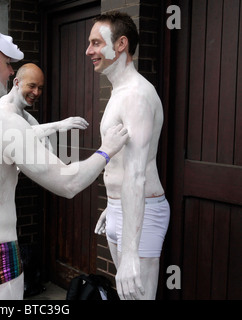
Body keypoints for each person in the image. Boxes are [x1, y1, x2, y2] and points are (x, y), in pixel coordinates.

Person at [0, 24, 128, 300]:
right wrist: (106, 151)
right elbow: (68, 183)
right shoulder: (4, 122)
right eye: (7, 63)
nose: (11, 72)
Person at [87, 12, 170, 300]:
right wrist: (113, 205)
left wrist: (132, 252)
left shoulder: (136, 94)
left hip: (142, 214)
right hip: (121, 208)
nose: (89, 51)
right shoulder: (119, 92)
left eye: (97, 43)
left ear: (121, 44)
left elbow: (136, 172)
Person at [0, 63, 89, 151]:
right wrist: (60, 125)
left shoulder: (25, 115)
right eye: (32, 86)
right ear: (16, 83)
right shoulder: (5, 107)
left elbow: (46, 145)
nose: (36, 92)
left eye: (40, 88)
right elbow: (19, 133)